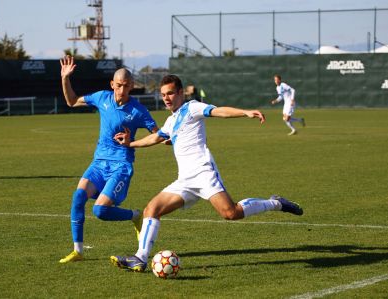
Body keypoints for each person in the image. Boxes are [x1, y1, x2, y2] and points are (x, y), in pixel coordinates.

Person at [110, 74, 304, 272]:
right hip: (184, 180)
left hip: (203, 173)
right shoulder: (171, 120)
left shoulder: (192, 107)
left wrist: (244, 112)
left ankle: (276, 203)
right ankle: (140, 258)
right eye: (163, 95)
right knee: (151, 209)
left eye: (170, 93)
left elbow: (218, 111)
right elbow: (155, 139)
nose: (166, 98)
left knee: (231, 213)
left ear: (180, 93)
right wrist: (130, 143)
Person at [59, 55, 158, 264]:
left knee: (100, 211)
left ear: (132, 86)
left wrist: (132, 141)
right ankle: (78, 251)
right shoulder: (102, 98)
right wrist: (65, 78)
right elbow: (71, 101)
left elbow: (159, 135)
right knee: (78, 197)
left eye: (127, 86)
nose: (122, 90)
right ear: (112, 84)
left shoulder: (139, 110)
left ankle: (135, 215)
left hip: (121, 166)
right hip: (98, 163)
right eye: (119, 85)